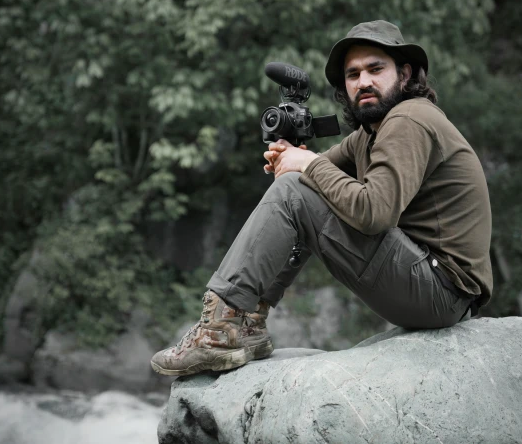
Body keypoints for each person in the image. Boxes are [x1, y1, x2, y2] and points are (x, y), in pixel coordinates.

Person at [150, 20, 493, 377]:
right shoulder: (370, 133)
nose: (363, 82)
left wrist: (306, 164)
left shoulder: (410, 118)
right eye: (353, 74)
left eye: (376, 69)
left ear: (404, 74)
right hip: (432, 287)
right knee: (298, 186)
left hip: (441, 290)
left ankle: (220, 330)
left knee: (296, 189)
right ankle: (248, 323)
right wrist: (287, 159)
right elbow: (311, 181)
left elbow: (374, 212)